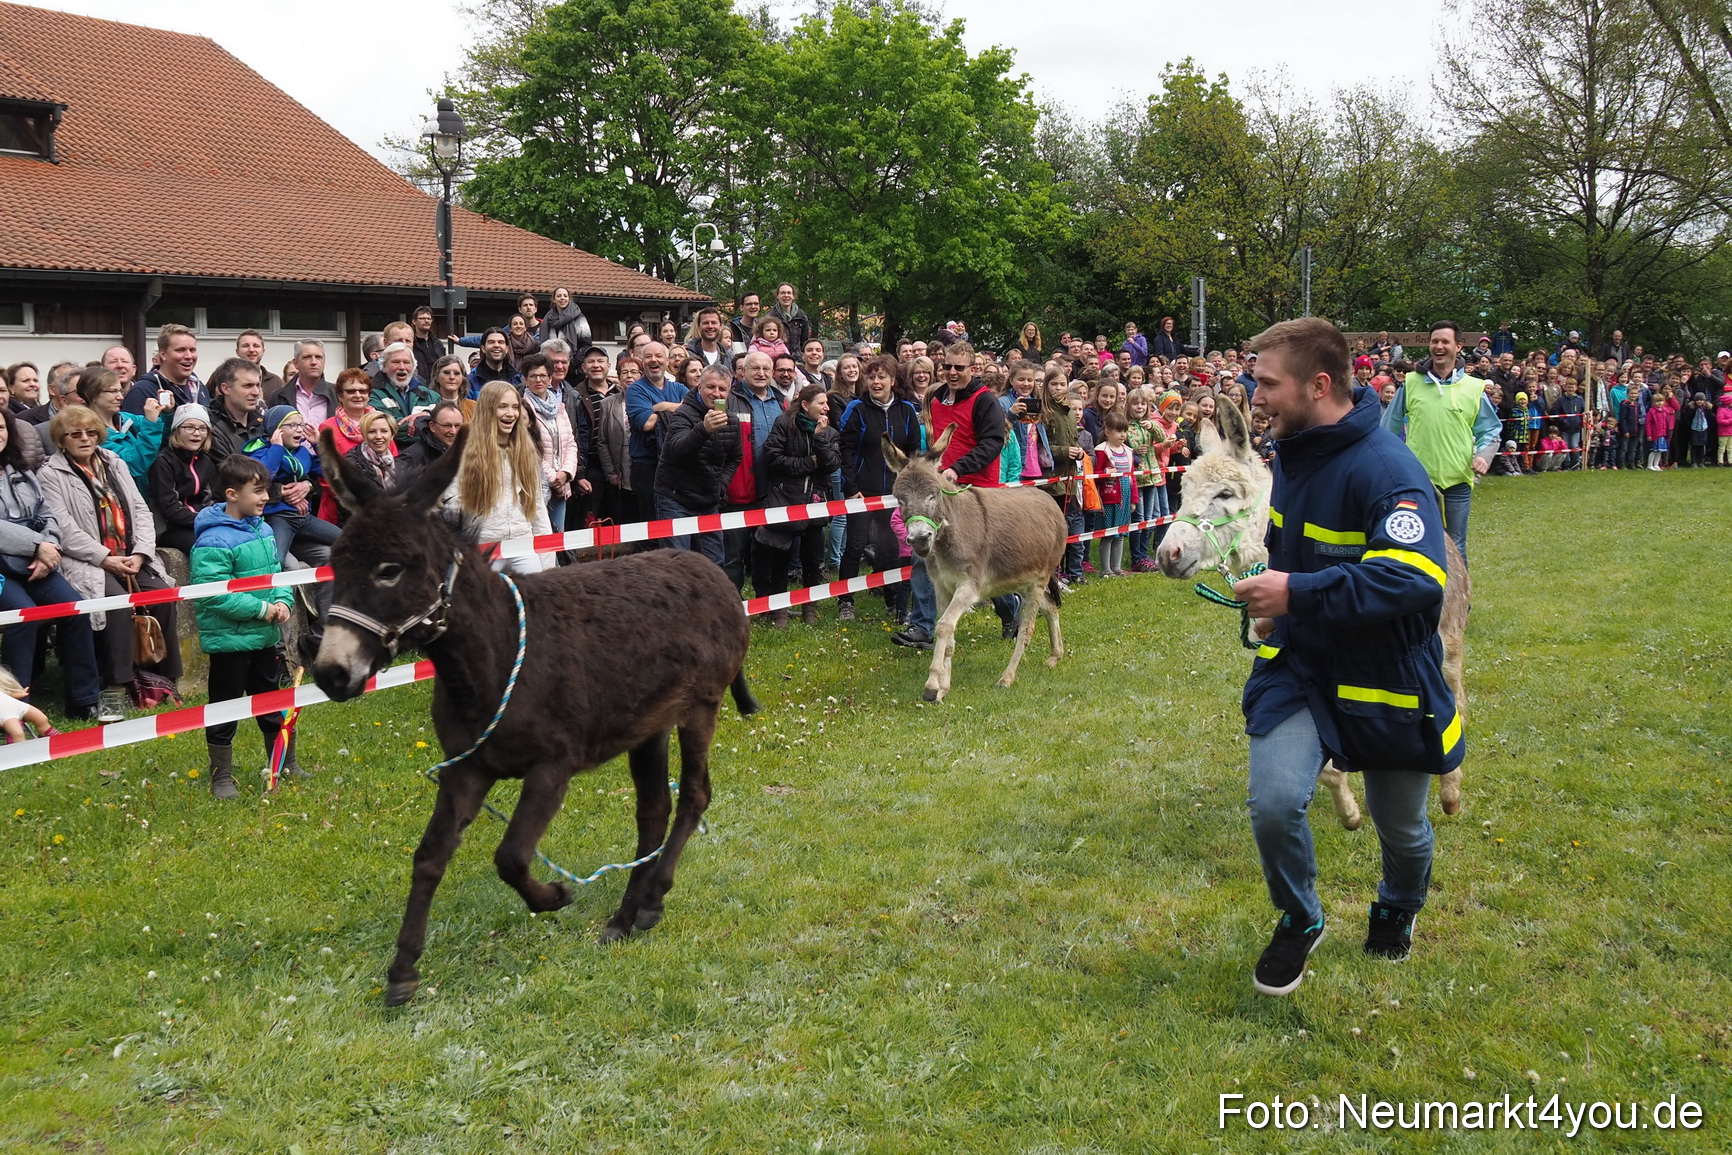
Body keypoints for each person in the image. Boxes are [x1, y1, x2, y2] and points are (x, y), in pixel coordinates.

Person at [1231, 316, 1462, 997]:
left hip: (1386, 675)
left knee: (1403, 828)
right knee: (1275, 803)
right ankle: (1300, 917)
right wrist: (1277, 609)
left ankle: (1398, 905)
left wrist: (1295, 592)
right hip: (1303, 665)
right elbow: (1291, 554)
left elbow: (1416, 578)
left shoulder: (1389, 470)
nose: (1256, 397)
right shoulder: (1291, 454)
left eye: (1267, 383)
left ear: (1319, 384)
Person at [40, 404, 182, 720]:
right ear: (61, 440)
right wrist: (106, 559)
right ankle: (117, 686)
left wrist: (141, 553)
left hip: (131, 555)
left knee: (162, 595)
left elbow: (140, 509)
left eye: (91, 432)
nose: (85, 438)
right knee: (115, 604)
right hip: (88, 560)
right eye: (75, 434)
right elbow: (65, 529)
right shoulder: (50, 474)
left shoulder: (114, 462)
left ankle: (166, 680)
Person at [191, 455, 297, 799]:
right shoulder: (213, 540)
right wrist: (262, 609)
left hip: (265, 639)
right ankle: (221, 776)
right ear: (232, 494)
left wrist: (283, 601)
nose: (266, 497)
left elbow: (277, 573)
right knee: (225, 709)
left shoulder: (263, 529)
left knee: (273, 701)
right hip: (230, 643)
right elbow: (212, 594)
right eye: (258, 491)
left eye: (266, 490)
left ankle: (285, 763)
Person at [0, 410, 105, 721]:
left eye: (1, 427)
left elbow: (46, 513)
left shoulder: (19, 470)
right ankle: (15, 710)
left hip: (37, 561)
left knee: (75, 609)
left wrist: (50, 548)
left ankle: (84, 700)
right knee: (24, 616)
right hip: (6, 568)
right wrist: (37, 545)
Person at [1379, 321, 1500, 565]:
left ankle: (1460, 592)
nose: (1439, 346)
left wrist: (1483, 456)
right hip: (1419, 479)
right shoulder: (1411, 383)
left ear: (1459, 346)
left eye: (1445, 341)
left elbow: (1491, 429)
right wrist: (1389, 465)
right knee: (1419, 544)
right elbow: (1388, 427)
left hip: (1458, 478)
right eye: (1434, 341)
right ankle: (1424, 589)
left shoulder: (1473, 387)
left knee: (1456, 546)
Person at [837, 354, 922, 622]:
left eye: (881, 377)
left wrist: (909, 488)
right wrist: (851, 487)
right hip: (862, 491)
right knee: (855, 546)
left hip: (895, 493)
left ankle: (892, 601)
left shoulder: (906, 409)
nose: (876, 381)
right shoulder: (856, 408)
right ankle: (845, 601)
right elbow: (845, 450)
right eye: (871, 376)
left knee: (891, 548)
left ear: (892, 380)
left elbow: (914, 451)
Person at [442, 381, 551, 574]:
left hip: (522, 542)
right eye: (502, 406)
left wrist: (547, 563)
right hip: (484, 547)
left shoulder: (526, 452)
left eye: (515, 407)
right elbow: (452, 507)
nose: (511, 413)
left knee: (537, 590)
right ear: (488, 409)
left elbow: (537, 507)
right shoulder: (464, 453)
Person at [754, 384, 838, 627]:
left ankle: (810, 608)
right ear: (804, 405)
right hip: (786, 499)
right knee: (781, 556)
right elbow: (772, 457)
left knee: (812, 558)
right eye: (821, 403)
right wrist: (809, 463)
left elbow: (832, 464)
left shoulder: (830, 431)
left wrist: (820, 439)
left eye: (827, 403)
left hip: (815, 501)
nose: (826, 407)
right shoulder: (784, 424)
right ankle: (779, 610)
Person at [653, 364, 741, 566]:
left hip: (708, 498)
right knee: (677, 562)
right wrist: (703, 430)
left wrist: (720, 486)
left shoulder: (732, 421)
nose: (716, 393)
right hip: (675, 496)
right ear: (699, 387)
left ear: (729, 392)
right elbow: (677, 451)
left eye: (722, 389)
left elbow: (734, 458)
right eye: (711, 387)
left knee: (714, 562)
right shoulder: (682, 414)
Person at [623, 341, 684, 525]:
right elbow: (647, 423)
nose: (653, 360)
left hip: (676, 464)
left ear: (667, 360)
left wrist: (661, 407)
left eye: (658, 356)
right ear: (642, 362)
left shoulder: (678, 388)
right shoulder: (635, 389)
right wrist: (678, 410)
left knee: (675, 521)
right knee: (651, 522)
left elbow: (694, 411)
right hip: (647, 466)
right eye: (648, 356)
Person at [519, 354, 579, 533]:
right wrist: (553, 478)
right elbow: (528, 448)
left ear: (550, 378)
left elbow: (570, 443)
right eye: (533, 376)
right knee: (539, 537)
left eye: (543, 375)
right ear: (525, 379)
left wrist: (566, 473)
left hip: (561, 483)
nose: (538, 380)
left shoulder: (558, 407)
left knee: (558, 537)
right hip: (536, 484)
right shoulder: (522, 409)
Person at [77, 367, 164, 488]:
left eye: (120, 391)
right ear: (91, 395)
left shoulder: (125, 419)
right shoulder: (90, 434)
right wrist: (150, 423)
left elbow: (165, 436)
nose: (120, 397)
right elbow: (133, 464)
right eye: (113, 391)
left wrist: (167, 413)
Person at [149, 403, 217, 553]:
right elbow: (169, 508)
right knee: (207, 545)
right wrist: (203, 519)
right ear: (177, 430)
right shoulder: (164, 462)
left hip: (201, 520)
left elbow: (212, 498)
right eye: (189, 427)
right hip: (170, 527)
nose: (197, 433)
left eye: (202, 428)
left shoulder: (206, 461)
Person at [316, 369, 377, 523]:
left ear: (369, 395)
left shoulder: (380, 424)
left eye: (362, 391)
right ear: (340, 396)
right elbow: (326, 473)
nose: (357, 395)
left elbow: (394, 462)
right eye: (351, 391)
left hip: (378, 505)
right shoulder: (327, 428)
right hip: (340, 508)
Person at [125, 323, 209, 413]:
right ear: (163, 354)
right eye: (180, 350)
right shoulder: (142, 391)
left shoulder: (200, 388)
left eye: (192, 350)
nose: (189, 356)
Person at [1093, 410, 1135, 576]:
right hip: (1108, 498)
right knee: (1108, 534)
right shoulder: (1102, 450)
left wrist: (1134, 499)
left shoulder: (1128, 451)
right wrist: (1105, 474)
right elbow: (1095, 474)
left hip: (1124, 497)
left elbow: (1132, 477)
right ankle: (1105, 569)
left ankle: (1116, 567)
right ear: (1107, 431)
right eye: (1118, 431)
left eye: (1125, 431)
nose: (1123, 434)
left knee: (1120, 534)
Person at [368, 342, 438, 439]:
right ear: (384, 366)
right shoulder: (373, 394)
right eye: (396, 362)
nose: (402, 367)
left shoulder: (430, 395)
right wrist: (428, 425)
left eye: (406, 362)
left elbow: (446, 423)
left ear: (414, 366)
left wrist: (426, 414)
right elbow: (386, 428)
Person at [268, 339, 336, 427]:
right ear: (296, 363)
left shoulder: (338, 394)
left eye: (318, 357)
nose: (314, 362)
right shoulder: (278, 397)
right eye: (307, 357)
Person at [343, 411, 400, 495]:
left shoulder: (402, 465)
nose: (378, 437)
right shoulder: (351, 465)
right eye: (372, 432)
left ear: (392, 435)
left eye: (384, 431)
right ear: (364, 435)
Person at [0, 665, 62, 741]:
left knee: (41, 719)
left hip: (17, 706)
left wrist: (18, 694)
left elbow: (4, 695)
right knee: (18, 733)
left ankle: (48, 736)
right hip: (5, 714)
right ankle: (20, 746)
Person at [684, 306, 733, 370]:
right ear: (698, 327)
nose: (710, 326)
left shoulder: (729, 357)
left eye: (714, 323)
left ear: (721, 326)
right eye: (705, 323)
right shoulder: (687, 355)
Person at [769, 282, 812, 353]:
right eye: (782, 293)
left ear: (793, 296)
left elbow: (805, 341)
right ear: (777, 296)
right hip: (778, 356)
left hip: (797, 357)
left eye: (789, 293)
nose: (786, 295)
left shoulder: (802, 317)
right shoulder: (771, 317)